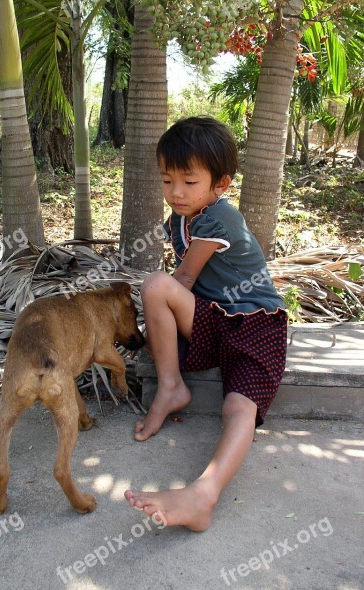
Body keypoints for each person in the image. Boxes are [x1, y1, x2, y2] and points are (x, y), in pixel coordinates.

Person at [124, 116, 288, 532]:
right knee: (155, 287)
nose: (175, 192)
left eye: (188, 181)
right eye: (167, 180)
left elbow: (183, 280)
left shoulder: (220, 219)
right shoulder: (183, 216)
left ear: (221, 184)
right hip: (214, 317)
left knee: (238, 407)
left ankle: (204, 493)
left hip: (256, 323)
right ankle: (172, 387)